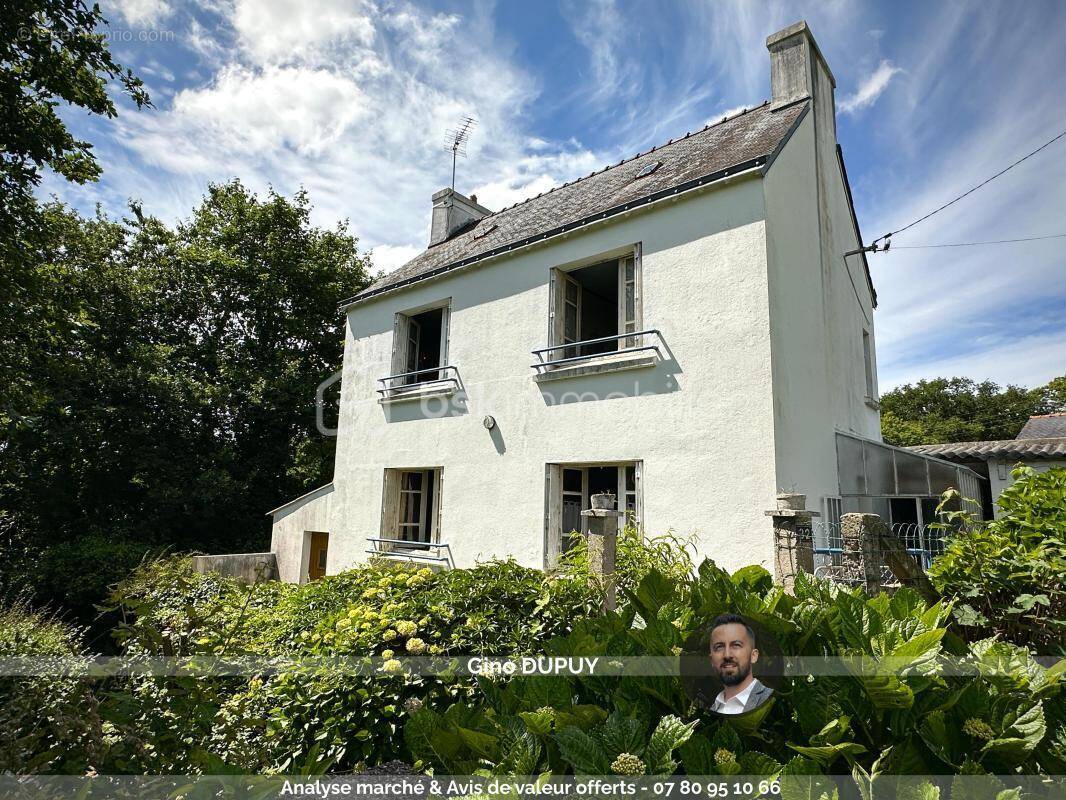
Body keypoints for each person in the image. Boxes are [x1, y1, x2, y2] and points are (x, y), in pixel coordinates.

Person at [707, 613, 773, 715]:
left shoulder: (770, 702)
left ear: (753, 656)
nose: (727, 655)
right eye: (719, 647)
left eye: (736, 645)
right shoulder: (711, 710)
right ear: (711, 660)